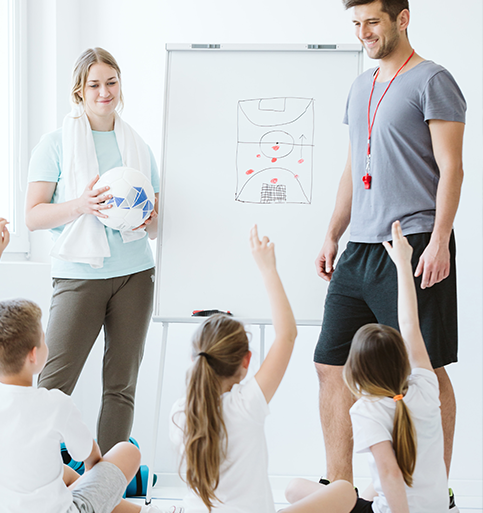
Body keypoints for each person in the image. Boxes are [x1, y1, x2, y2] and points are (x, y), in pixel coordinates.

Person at [313, 0, 466, 498]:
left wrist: (439, 239)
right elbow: (353, 165)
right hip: (359, 246)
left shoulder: (433, 81)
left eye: (373, 21)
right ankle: (341, 492)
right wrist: (333, 232)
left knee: (426, 370)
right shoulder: (361, 86)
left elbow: (452, 167)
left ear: (402, 18)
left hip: (413, 242)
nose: (364, 32)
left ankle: (436, 491)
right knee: (331, 364)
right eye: (356, 23)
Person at [0, 217, 181, 513]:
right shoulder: (55, 404)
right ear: (34, 355)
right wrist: (96, 480)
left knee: (58, 471)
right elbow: (92, 458)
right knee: (127, 451)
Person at [25, 47, 160, 454]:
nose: (105, 92)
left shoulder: (139, 146)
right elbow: (33, 216)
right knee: (54, 385)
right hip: (79, 275)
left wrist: (148, 219)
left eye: (111, 82)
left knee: (121, 386)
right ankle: (36, 471)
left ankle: (108, 481)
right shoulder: (54, 144)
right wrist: (80, 205)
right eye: (94, 84)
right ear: (79, 91)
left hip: (135, 274)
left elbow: (155, 222)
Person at [169, 225, 357, 513]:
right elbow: (287, 335)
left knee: (303, 489)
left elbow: (285, 336)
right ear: (246, 361)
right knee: (343, 490)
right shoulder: (245, 405)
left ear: (197, 358)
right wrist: (268, 269)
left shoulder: (179, 412)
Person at [289, 221, 449, 513]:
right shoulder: (426, 387)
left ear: (355, 375)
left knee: (301, 490)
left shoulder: (366, 410)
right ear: (403, 361)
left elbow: (390, 474)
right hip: (436, 508)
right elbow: (409, 325)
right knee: (361, 490)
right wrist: (403, 265)